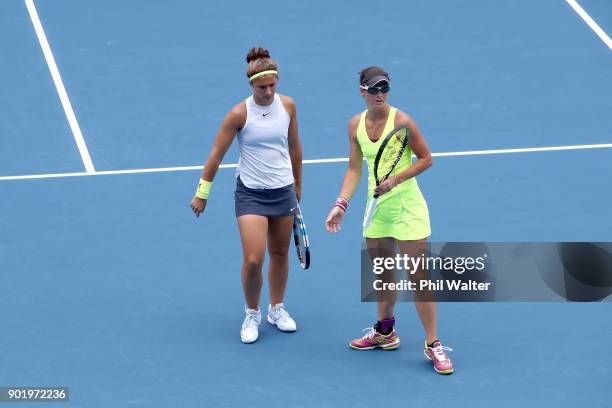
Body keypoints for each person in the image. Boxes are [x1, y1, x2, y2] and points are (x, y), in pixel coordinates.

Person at [324, 66, 454, 374]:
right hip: (377, 209)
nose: (380, 94)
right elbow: (354, 169)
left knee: (418, 277)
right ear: (362, 92)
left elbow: (426, 159)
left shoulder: (403, 121)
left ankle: (433, 344)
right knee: (382, 274)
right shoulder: (355, 125)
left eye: (384, 88)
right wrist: (341, 204)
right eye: (374, 89)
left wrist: (396, 179)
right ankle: (385, 332)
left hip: (407, 208)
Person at [190, 47, 303, 344]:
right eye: (261, 86)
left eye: (272, 85)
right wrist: (203, 193)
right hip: (250, 194)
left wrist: (298, 184)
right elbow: (216, 154)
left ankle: (276, 309)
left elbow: (294, 148)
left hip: (282, 190)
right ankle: (251, 312)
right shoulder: (239, 113)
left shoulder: (288, 106)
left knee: (280, 253)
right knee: (254, 259)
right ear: (251, 85)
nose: (268, 91)